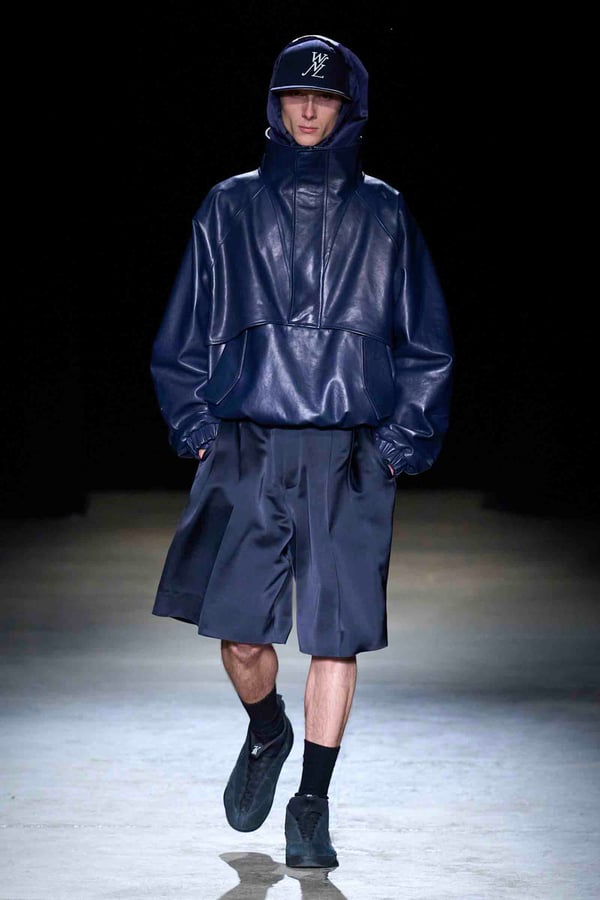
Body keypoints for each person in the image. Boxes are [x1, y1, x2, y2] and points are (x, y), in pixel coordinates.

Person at [150, 34, 453, 869]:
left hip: (350, 453)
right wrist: (198, 430)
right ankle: (266, 729)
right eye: (295, 95)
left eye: (325, 97)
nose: (309, 109)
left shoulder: (386, 213)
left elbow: (427, 343)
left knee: (334, 636)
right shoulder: (229, 207)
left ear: (349, 108)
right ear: (276, 103)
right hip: (248, 443)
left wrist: (396, 445)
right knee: (240, 635)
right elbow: (180, 334)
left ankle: (312, 802)